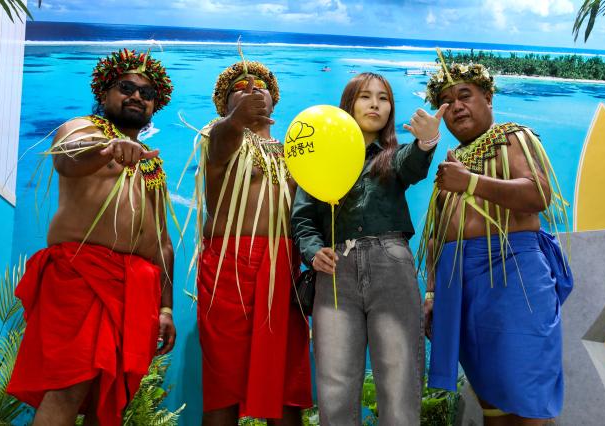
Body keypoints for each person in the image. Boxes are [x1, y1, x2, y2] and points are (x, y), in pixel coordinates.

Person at [7, 49, 177, 426]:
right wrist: (108, 150)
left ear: (154, 106)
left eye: (146, 94)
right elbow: (66, 158)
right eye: (126, 87)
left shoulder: (151, 162)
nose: (136, 96)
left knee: (108, 399)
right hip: (81, 276)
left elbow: (163, 240)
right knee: (68, 388)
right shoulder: (84, 129)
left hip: (136, 288)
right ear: (104, 94)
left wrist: (165, 308)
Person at [421, 61, 573, 425]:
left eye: (464, 95)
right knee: (491, 402)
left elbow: (538, 194)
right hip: (463, 288)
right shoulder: (455, 161)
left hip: (513, 278)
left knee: (526, 400)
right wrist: (431, 294)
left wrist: (470, 182)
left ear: (487, 98)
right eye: (446, 101)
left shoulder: (512, 136)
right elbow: (437, 233)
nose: (456, 106)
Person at [291, 72, 444, 425]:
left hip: (390, 264)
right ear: (349, 104)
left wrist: (427, 141)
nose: (375, 103)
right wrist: (314, 251)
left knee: (400, 379)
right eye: (365, 96)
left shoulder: (394, 156)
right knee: (334, 385)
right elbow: (302, 219)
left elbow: (413, 164)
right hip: (334, 272)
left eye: (383, 98)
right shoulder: (318, 157)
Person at [192, 59, 312, 425]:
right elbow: (223, 140)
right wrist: (236, 120)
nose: (251, 90)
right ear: (225, 105)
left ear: (273, 101)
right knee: (223, 384)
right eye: (239, 89)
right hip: (228, 265)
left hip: (283, 268)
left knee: (285, 386)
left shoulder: (296, 152)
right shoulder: (219, 138)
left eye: (259, 86)